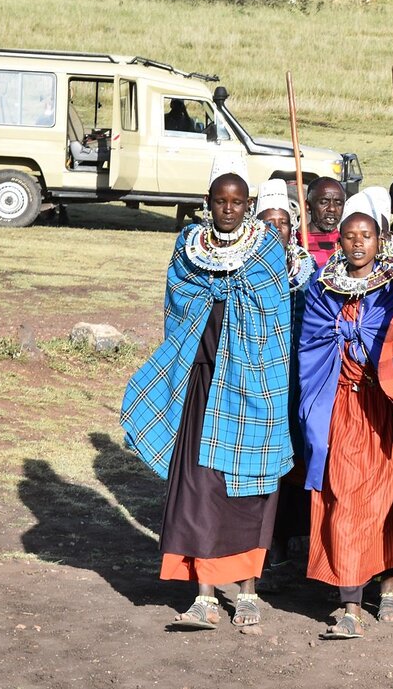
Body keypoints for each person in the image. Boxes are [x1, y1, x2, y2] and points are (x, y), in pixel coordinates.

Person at [120, 152, 292, 631]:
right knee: (198, 488)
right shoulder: (189, 246)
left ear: (249, 205)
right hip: (200, 382)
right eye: (220, 201)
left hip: (251, 385)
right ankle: (204, 596)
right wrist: (217, 294)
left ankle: (249, 592)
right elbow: (179, 300)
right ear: (207, 202)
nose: (229, 209)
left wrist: (230, 294)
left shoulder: (266, 248)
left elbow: (273, 311)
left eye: (237, 202)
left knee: (249, 490)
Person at [297, 199, 393, 640]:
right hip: (342, 406)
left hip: (387, 408)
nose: (358, 243)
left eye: (367, 236)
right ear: (338, 241)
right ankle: (350, 604)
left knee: (389, 500)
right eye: (350, 236)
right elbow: (311, 346)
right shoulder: (322, 288)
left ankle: (389, 586)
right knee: (345, 499)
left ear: (381, 240)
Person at [254, 178, 317, 575]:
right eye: (268, 221)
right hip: (258, 375)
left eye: (282, 222)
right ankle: (265, 540)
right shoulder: (243, 263)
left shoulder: (306, 268)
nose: (275, 229)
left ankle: (290, 536)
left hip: (297, 376)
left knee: (295, 455)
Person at [301, 177, 346, 267]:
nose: (332, 209)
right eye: (324, 202)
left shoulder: (347, 242)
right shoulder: (296, 241)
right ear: (308, 206)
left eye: (338, 203)